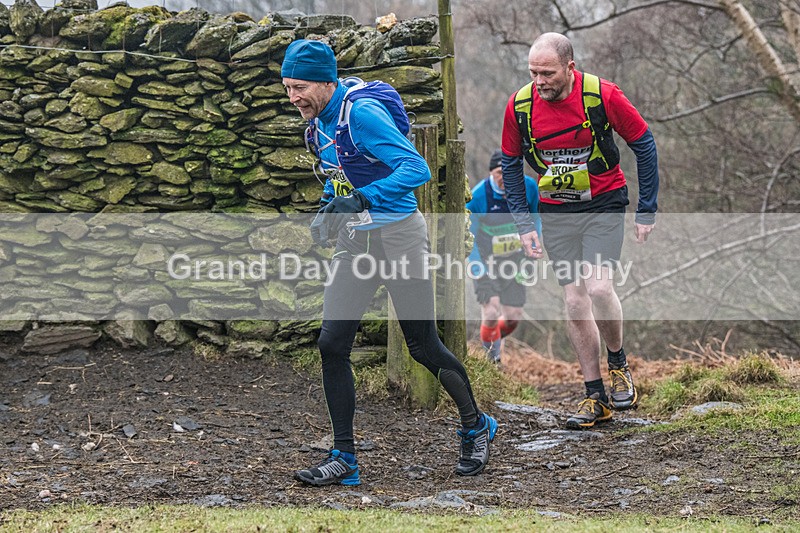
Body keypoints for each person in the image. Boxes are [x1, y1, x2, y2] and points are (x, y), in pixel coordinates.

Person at [281, 39, 498, 486]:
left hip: (399, 236)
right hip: (357, 242)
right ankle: (344, 457)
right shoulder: (316, 125)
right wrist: (329, 211)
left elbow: (415, 168)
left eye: (300, 87)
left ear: (327, 81)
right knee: (331, 343)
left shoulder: (360, 114)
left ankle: (476, 426)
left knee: (422, 345)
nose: (293, 97)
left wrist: (361, 199)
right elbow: (340, 175)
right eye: (286, 87)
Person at [500, 33, 659, 429]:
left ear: (570, 67)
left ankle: (618, 362)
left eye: (548, 73)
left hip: (604, 202)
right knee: (573, 301)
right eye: (534, 73)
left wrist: (647, 209)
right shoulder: (520, 106)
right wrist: (523, 224)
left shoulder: (602, 95)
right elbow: (510, 164)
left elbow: (644, 142)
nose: (540, 81)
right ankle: (594, 395)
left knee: (600, 288)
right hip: (557, 212)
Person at [467, 149, 540, 364]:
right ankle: (491, 362)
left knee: (513, 316)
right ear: (491, 173)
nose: (505, 177)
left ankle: (488, 343)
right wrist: (476, 266)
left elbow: (536, 218)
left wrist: (535, 244)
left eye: (510, 172)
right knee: (491, 312)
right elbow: (468, 235)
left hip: (516, 260)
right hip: (485, 260)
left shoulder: (529, 187)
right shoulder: (478, 196)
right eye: (500, 172)